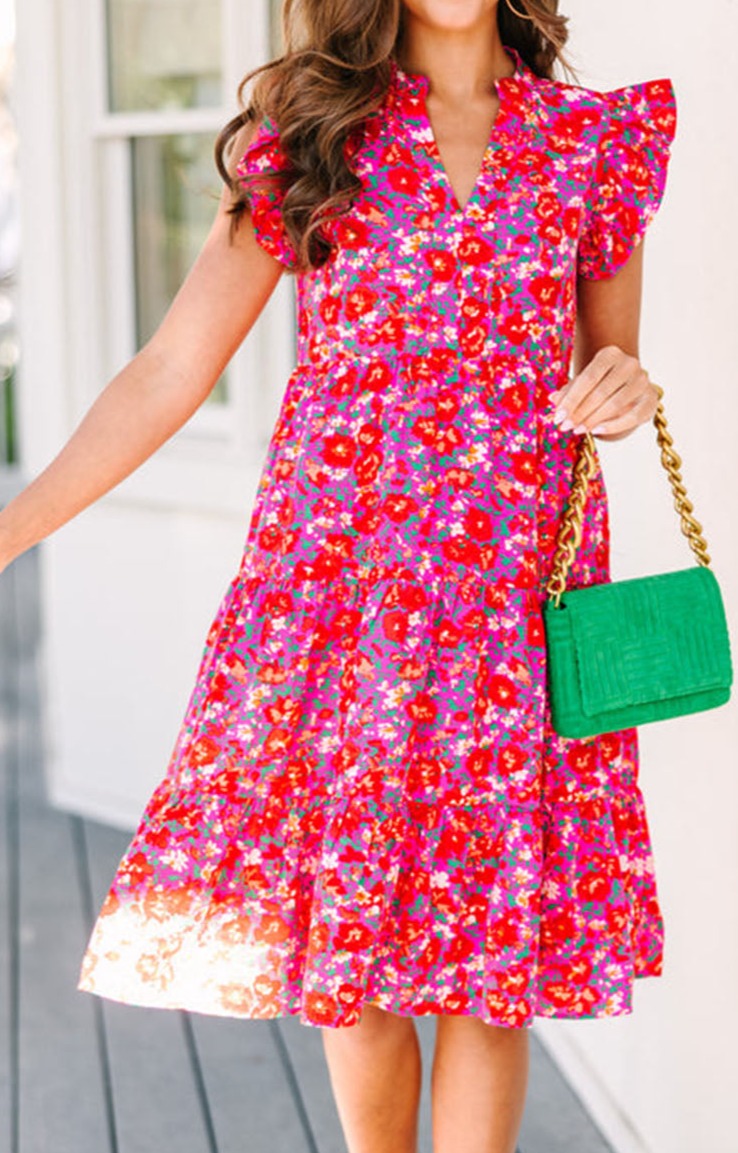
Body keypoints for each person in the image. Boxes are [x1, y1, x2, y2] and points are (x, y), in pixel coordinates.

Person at [0, 1, 678, 1151]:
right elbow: (170, 368)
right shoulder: (311, 135)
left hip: (514, 596)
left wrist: (630, 391)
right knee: (351, 962)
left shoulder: (591, 140)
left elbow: (608, 360)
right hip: (342, 593)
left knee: (486, 958)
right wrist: (10, 529)